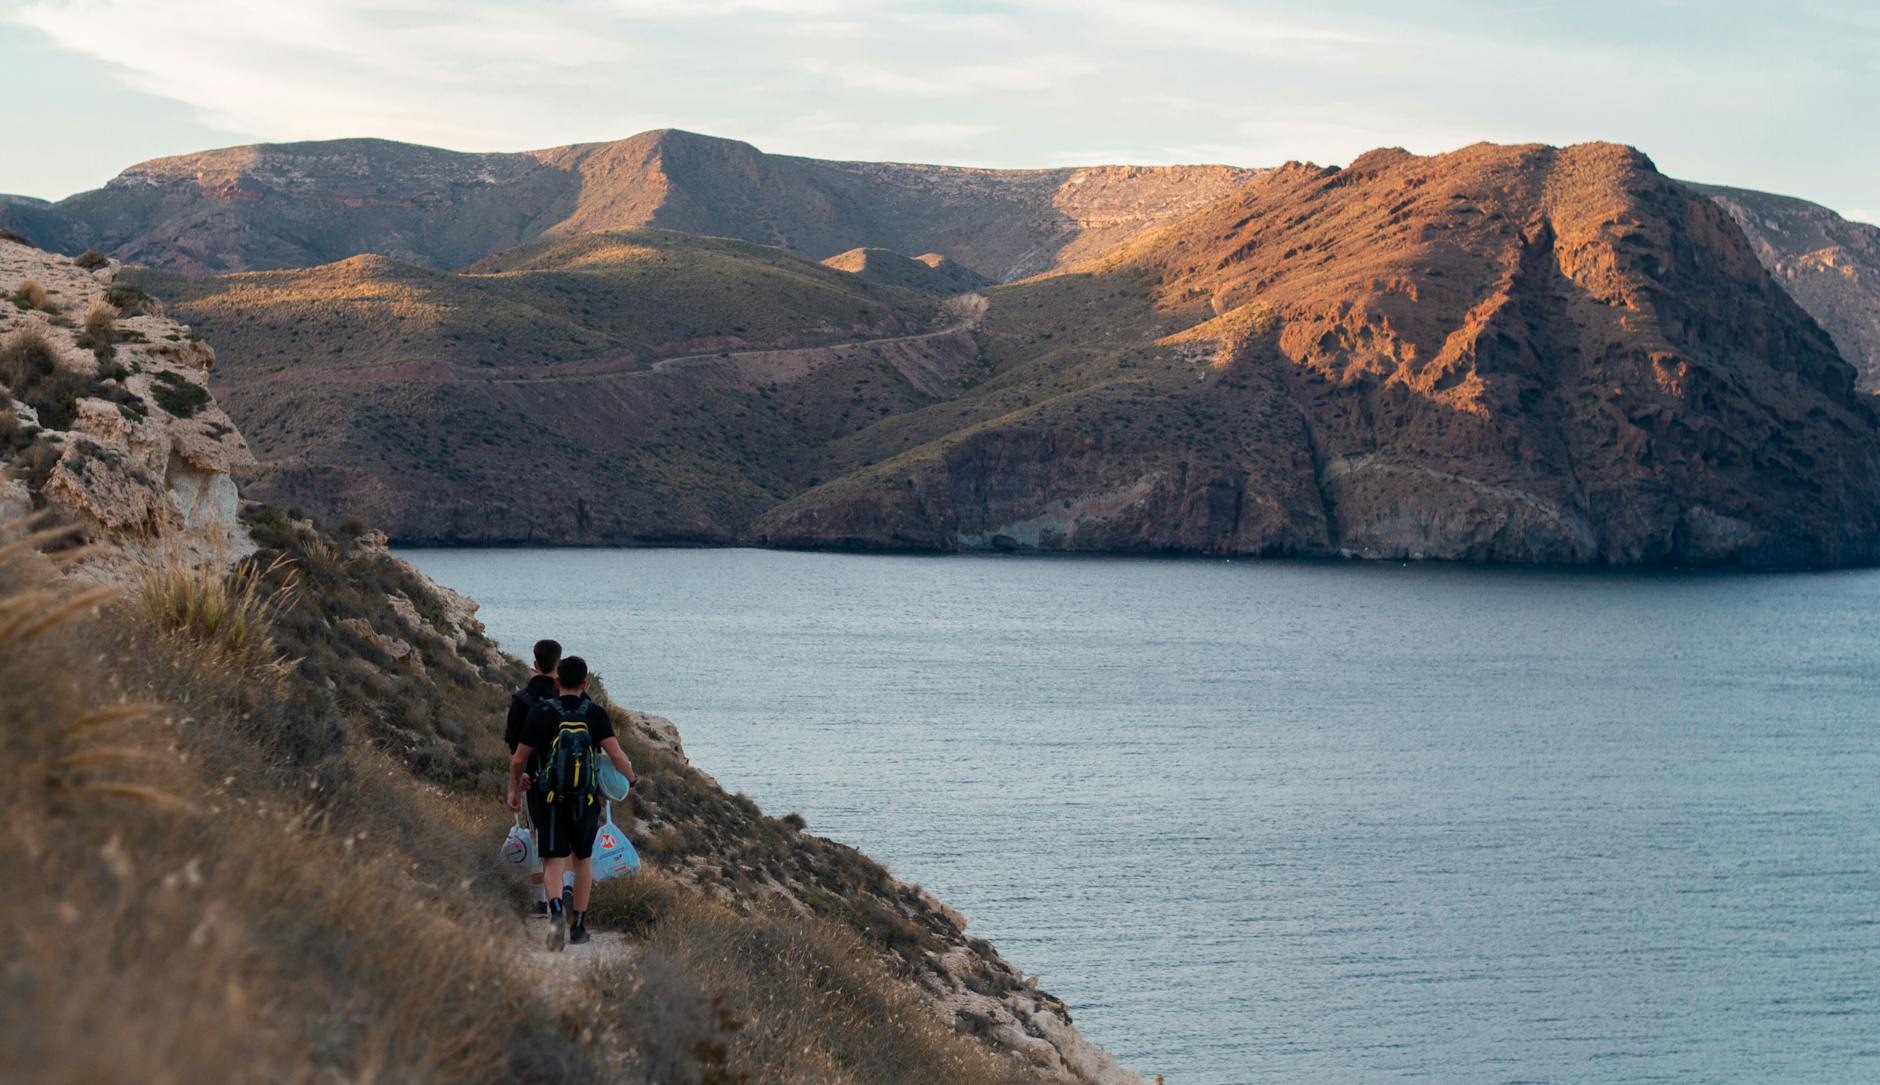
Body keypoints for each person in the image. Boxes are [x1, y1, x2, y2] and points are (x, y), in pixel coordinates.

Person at [508, 655, 638, 950]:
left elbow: (518, 758)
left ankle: (555, 911)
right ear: (585, 683)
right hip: (585, 799)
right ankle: (578, 925)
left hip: (547, 797)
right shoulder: (594, 714)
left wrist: (518, 784)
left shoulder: (540, 712)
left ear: (556, 681)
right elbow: (616, 756)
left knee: (552, 860)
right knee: (582, 860)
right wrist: (631, 780)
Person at [505, 639, 562, 917]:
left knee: (537, 835)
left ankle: (542, 899)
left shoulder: (522, 700)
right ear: (558, 663)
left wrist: (514, 787)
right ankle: (565, 893)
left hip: (534, 780)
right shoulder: (571, 697)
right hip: (570, 782)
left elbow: (515, 752)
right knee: (566, 839)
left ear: (536, 664)